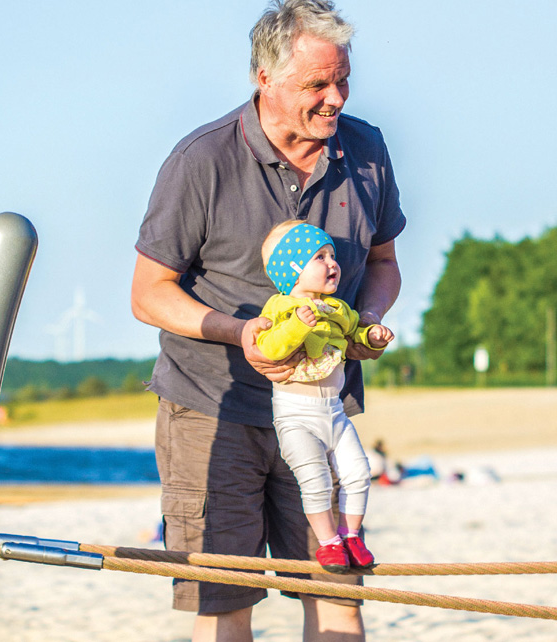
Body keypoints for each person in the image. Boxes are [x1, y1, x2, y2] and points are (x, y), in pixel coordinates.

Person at [130, 0, 405, 639]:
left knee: (338, 596)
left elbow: (386, 263)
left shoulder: (365, 150)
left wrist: (365, 320)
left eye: (342, 80)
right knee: (225, 604)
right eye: (317, 84)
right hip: (213, 414)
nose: (335, 98)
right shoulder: (201, 159)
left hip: (324, 407)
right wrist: (240, 331)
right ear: (264, 78)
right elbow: (148, 294)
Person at [256, 221, 393, 573]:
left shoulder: (338, 309)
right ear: (292, 270)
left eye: (332, 255)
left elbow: (356, 332)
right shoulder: (280, 309)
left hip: (334, 410)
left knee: (359, 471)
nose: (332, 263)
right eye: (319, 257)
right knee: (314, 479)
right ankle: (328, 542)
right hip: (295, 416)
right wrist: (298, 324)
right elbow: (270, 348)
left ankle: (350, 534)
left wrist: (373, 334)